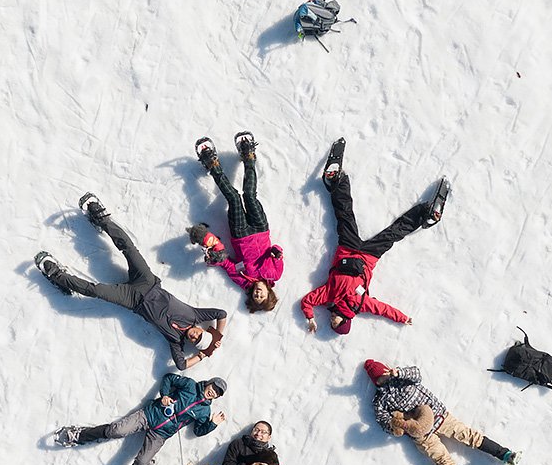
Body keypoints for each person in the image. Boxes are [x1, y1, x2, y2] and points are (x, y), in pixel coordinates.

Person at [35, 194, 227, 370]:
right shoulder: (195, 316)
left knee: (95, 291)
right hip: (148, 282)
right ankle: (101, 219)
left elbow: (181, 365)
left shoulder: (175, 339)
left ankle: (57, 275)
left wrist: (203, 354)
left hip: (133, 301)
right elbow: (221, 313)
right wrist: (218, 336)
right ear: (201, 329)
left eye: (195, 341)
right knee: (129, 248)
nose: (194, 336)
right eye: (199, 335)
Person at [301, 137, 446, 335]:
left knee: (345, 216)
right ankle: (424, 212)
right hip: (369, 257)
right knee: (393, 233)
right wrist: (402, 317)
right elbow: (383, 310)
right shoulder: (361, 305)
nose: (332, 320)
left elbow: (307, 301)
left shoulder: (329, 296)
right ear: (345, 321)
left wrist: (310, 317)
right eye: (337, 323)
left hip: (347, 249)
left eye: (332, 323)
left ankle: (337, 180)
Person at [364, 359, 521, 465]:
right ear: (375, 382)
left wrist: (399, 373)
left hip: (439, 416)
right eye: (379, 378)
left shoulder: (403, 379)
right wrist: (394, 427)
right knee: (442, 460)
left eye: (383, 373)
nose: (383, 378)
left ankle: (505, 454)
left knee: (468, 435)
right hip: (422, 434)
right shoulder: (380, 401)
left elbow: (417, 374)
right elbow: (383, 420)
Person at [54, 374, 228, 465]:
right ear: (209, 383)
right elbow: (169, 378)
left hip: (161, 433)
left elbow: (199, 430)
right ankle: (79, 435)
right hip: (149, 414)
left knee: (142, 462)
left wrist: (212, 423)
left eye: (217, 393)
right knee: (116, 430)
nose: (213, 392)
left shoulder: (204, 411)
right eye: (214, 388)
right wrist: (165, 395)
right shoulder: (190, 385)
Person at [189, 133, 284, 313]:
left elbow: (228, 265)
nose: (258, 294)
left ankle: (212, 164)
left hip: (240, 235)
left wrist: (216, 260)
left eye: (256, 297)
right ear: (269, 292)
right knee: (249, 195)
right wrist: (276, 252)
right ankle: (249, 157)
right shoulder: (275, 275)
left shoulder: (243, 279)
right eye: (262, 296)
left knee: (233, 198)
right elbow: (278, 254)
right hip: (260, 229)